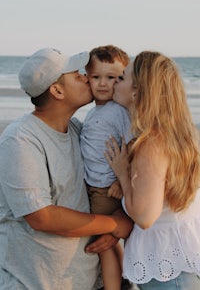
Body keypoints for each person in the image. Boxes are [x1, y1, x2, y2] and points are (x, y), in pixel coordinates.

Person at [0, 48, 133, 290]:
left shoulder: (78, 130)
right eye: (76, 74)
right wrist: (114, 224)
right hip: (38, 284)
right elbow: (41, 216)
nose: (86, 77)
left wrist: (122, 217)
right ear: (57, 90)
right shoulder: (20, 139)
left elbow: (107, 179)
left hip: (92, 281)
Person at [97, 51, 200, 289]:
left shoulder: (152, 144)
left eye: (121, 78)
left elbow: (145, 217)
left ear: (137, 92)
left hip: (169, 270)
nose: (114, 82)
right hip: (179, 258)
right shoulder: (176, 134)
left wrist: (122, 172)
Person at [80, 45, 133, 290]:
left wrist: (121, 181)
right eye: (96, 77)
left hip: (106, 189)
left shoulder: (119, 111)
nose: (102, 84)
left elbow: (134, 144)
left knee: (104, 246)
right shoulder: (95, 111)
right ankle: (122, 283)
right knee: (109, 244)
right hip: (95, 185)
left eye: (111, 78)